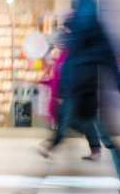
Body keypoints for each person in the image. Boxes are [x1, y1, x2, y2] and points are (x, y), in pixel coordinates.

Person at [62, 0, 120, 194]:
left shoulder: (86, 32)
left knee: (62, 138)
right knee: (112, 143)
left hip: (89, 95)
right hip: (89, 94)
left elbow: (117, 58)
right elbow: (119, 58)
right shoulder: (87, 31)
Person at [38, 27, 103, 161]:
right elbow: (59, 77)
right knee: (85, 121)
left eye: (57, 41)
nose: (56, 45)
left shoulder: (72, 55)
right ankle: (96, 149)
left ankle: (49, 148)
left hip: (73, 95)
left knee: (64, 122)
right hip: (70, 95)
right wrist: (45, 81)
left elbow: (70, 76)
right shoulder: (63, 55)